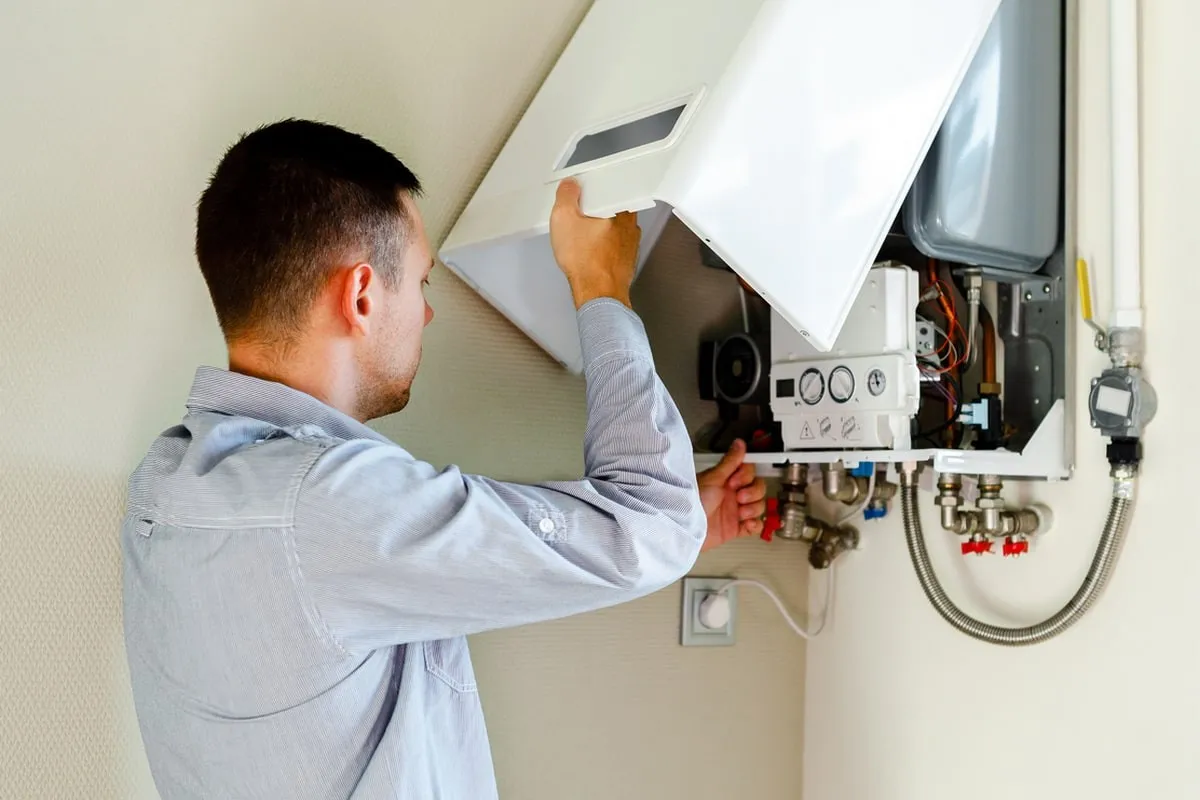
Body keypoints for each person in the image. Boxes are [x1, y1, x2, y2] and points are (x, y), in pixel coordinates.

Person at [121, 119, 766, 799]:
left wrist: (660, 518)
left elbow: (360, 562)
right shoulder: (323, 509)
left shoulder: (168, 485)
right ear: (363, 296)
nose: (426, 315)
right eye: (421, 285)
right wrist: (602, 286)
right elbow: (652, 526)